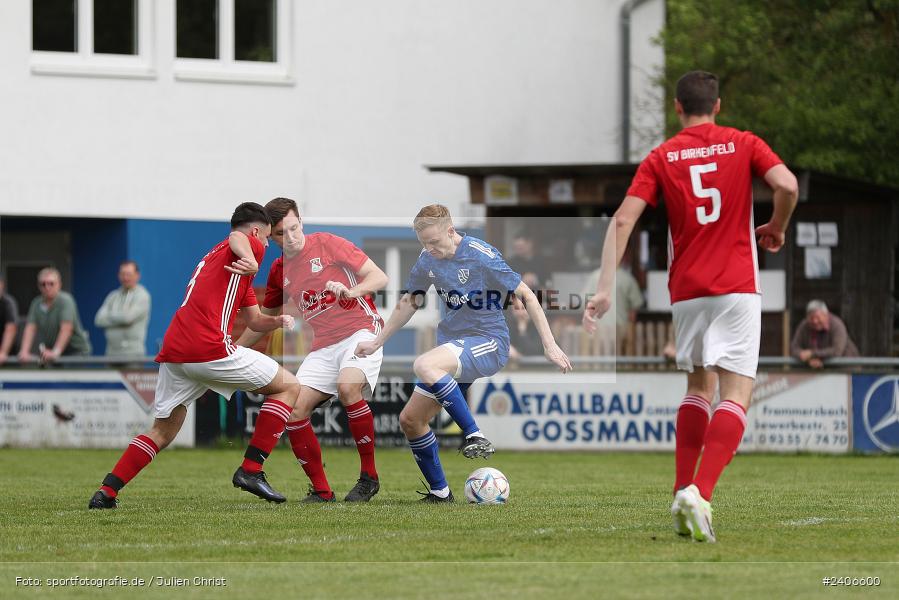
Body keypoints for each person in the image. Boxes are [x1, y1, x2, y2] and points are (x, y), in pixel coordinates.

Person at [583, 71, 798, 542]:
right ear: (717, 105)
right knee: (736, 395)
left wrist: (604, 288)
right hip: (738, 285)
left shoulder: (662, 156)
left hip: (687, 292)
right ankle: (699, 493)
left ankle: (682, 488)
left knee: (698, 387)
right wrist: (777, 226)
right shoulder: (743, 142)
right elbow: (787, 185)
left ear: (677, 108)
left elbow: (622, 220)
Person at [88, 202, 301, 509]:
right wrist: (250, 256)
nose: (266, 244)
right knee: (290, 387)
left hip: (176, 352)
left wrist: (276, 321)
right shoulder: (246, 246)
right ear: (257, 230)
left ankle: (106, 491)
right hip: (207, 348)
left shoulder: (216, 259)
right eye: (268, 237)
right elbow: (237, 239)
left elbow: (254, 320)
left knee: (163, 429)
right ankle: (251, 470)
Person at [355, 204, 572, 502]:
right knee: (410, 420)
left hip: (489, 341)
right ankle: (440, 492)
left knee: (425, 364)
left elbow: (527, 295)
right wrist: (378, 341)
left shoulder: (481, 255)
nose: (430, 249)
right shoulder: (426, 259)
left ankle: (474, 434)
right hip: (454, 347)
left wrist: (550, 344)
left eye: (434, 242)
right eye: (424, 244)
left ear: (451, 231)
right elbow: (409, 302)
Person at [237, 197, 389, 503]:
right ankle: (322, 491)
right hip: (324, 345)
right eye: (282, 233)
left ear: (301, 221)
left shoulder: (328, 243)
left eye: (295, 228)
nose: (291, 237)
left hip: (362, 329)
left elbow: (379, 277)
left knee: (348, 388)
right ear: (270, 235)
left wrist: (352, 291)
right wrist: (228, 350)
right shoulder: (279, 269)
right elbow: (261, 322)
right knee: (293, 409)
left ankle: (369, 477)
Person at [18, 268, 92, 364]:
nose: (47, 287)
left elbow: (66, 329)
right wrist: (24, 351)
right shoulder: (36, 303)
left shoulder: (66, 300)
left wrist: (56, 352)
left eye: (51, 283)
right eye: (43, 284)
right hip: (53, 351)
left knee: (68, 378)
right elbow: (30, 328)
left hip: (76, 351)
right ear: (39, 286)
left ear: (59, 285)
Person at [582, 259, 644, 355]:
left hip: (597, 330)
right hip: (620, 331)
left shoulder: (594, 277)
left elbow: (584, 303)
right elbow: (633, 313)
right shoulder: (627, 278)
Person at [94, 260, 152, 358]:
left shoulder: (142, 296)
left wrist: (110, 315)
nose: (125, 278)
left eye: (128, 274)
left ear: (137, 275)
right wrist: (121, 316)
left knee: (133, 374)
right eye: (122, 274)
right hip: (111, 354)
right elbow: (99, 320)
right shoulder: (113, 296)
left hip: (133, 356)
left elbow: (127, 318)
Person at [790, 300, 859, 368]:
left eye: (818, 317)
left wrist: (812, 354)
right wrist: (808, 359)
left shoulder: (837, 325)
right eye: (811, 318)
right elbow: (794, 348)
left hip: (846, 370)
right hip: (816, 370)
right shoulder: (804, 325)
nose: (815, 321)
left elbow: (836, 351)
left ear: (826, 315)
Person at [0, 275, 19, 364]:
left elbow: (10, 328)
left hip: (9, 355)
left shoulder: (7, 302)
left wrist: (3, 353)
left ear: (2, 285)